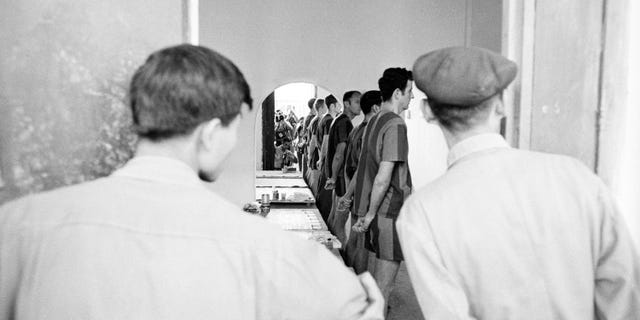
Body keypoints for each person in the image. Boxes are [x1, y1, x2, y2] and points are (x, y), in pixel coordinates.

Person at [0, 44, 384, 319]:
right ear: (211, 132)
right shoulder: (266, 249)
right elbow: (357, 307)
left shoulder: (19, 225)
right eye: (234, 128)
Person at [398, 46, 640, 319]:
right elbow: (622, 289)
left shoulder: (420, 213)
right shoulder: (575, 176)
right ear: (500, 105)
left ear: (427, 111)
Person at [350, 68, 414, 316]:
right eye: (409, 92)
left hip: (376, 213)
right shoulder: (396, 124)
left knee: (375, 287)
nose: (411, 98)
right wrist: (370, 215)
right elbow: (383, 177)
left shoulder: (374, 121)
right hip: (388, 213)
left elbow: (367, 169)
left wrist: (366, 212)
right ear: (397, 93)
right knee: (383, 290)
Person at [340, 90, 381, 274]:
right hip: (364, 192)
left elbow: (349, 165)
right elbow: (361, 168)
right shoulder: (369, 132)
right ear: (376, 107)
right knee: (363, 245)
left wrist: (349, 192)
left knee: (354, 241)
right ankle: (361, 288)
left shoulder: (356, 129)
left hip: (356, 190)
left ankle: (348, 280)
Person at [325, 90, 361, 244]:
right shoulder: (344, 122)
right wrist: (333, 177)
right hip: (341, 180)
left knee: (334, 220)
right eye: (357, 102)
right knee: (339, 225)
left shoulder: (339, 119)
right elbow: (339, 153)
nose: (360, 105)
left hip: (338, 178)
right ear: (347, 103)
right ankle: (340, 262)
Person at [316, 94, 339, 221]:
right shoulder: (329, 120)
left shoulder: (324, 118)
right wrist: (321, 159)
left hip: (324, 160)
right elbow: (325, 141)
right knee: (326, 197)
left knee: (322, 194)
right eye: (338, 104)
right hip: (326, 161)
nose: (340, 107)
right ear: (332, 106)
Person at [306, 98, 326, 194]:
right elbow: (313, 141)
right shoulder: (317, 120)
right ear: (322, 107)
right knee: (316, 186)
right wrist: (310, 156)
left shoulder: (316, 120)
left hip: (316, 156)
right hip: (316, 156)